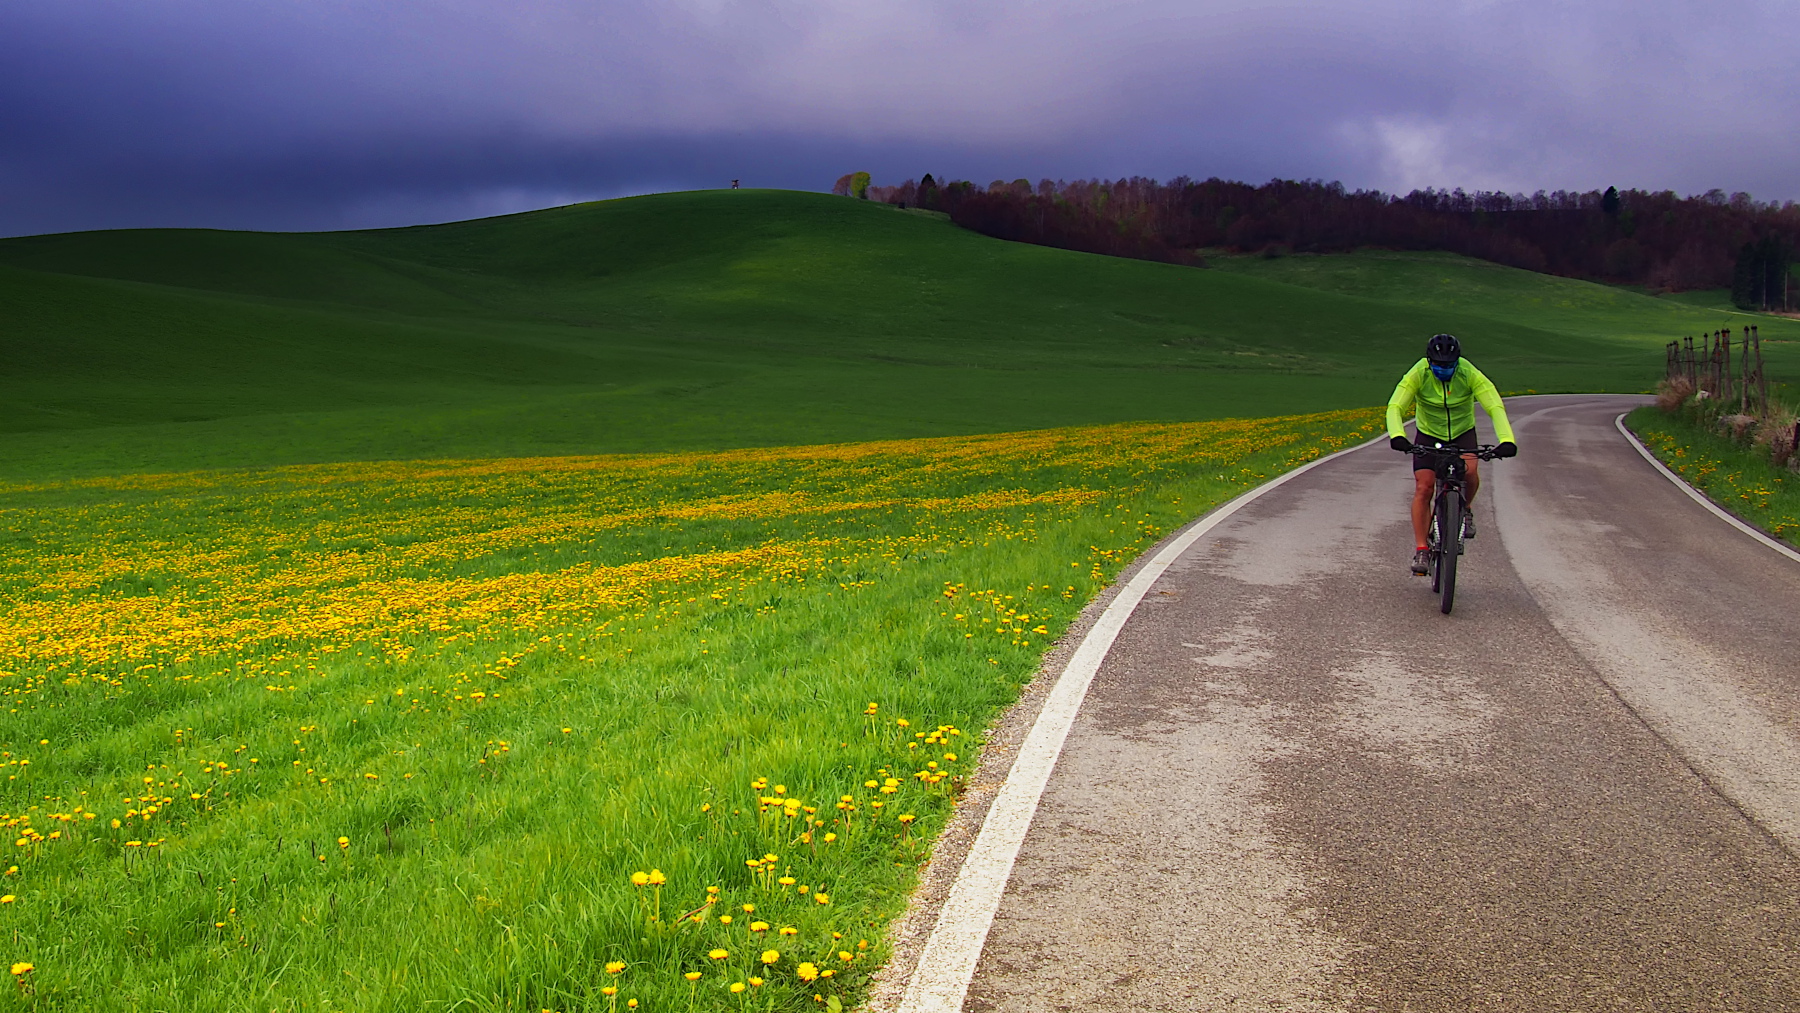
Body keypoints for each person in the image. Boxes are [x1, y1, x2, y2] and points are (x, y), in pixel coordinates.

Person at [1386, 334, 1518, 576]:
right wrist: (1397, 435)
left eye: (1449, 365)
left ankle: (1464, 509)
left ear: (1457, 361)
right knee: (1424, 487)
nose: (1443, 369)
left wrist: (1507, 440)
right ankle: (1422, 549)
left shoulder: (1468, 373)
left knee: (1470, 471)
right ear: (1429, 361)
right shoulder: (1418, 373)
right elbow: (1395, 406)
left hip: (1461, 433)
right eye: (1438, 364)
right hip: (1428, 434)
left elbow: (1494, 405)